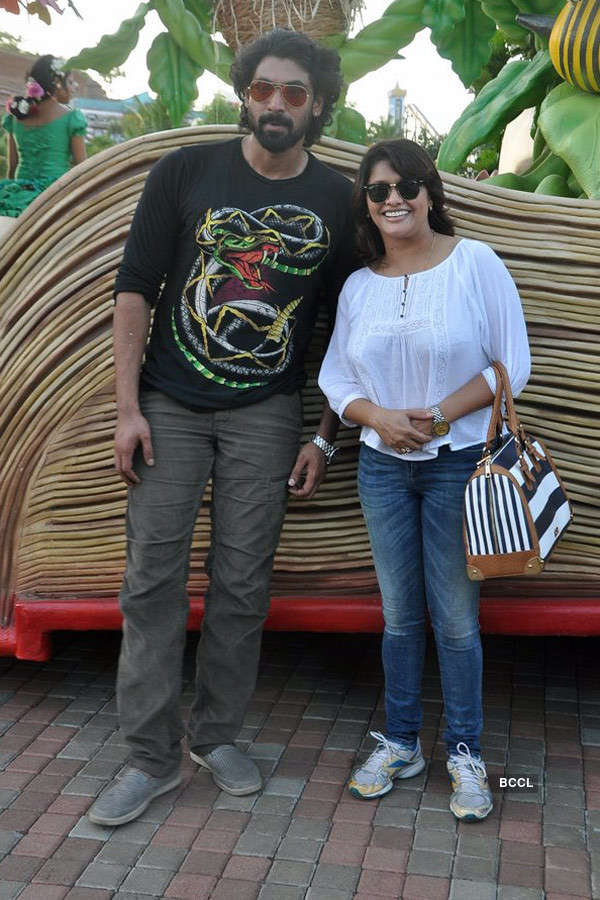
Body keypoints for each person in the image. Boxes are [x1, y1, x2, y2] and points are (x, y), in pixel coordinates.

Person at [88, 28, 355, 827]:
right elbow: (136, 286)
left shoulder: (338, 200)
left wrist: (324, 432)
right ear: (244, 92)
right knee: (152, 581)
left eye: (295, 94)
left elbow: (348, 325)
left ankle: (218, 734)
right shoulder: (186, 171)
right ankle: (150, 759)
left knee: (243, 584)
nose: (277, 104)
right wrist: (127, 407)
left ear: (316, 106)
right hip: (168, 402)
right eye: (264, 89)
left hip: (267, 412)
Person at [318, 139, 530, 822]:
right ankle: (403, 741)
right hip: (381, 467)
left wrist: (437, 417)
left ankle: (465, 752)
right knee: (401, 617)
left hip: (458, 465)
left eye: (407, 185)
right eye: (378, 191)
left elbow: (511, 365)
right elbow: (336, 377)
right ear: (367, 205)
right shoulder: (358, 285)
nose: (394, 199)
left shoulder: (475, 264)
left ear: (430, 191)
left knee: (457, 621)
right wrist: (378, 415)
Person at [0, 55, 86, 236]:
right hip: (56, 194)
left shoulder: (15, 117)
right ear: (56, 82)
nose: (74, 88)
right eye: (70, 82)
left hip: (19, 193)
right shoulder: (72, 118)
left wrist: (10, 193)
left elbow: (13, 165)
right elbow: (82, 167)